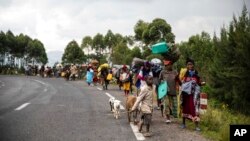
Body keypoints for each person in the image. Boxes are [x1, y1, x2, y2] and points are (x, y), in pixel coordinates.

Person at [180, 58, 203, 131]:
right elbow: (180, 82)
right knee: (185, 108)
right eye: (188, 64)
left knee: (195, 110)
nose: (190, 66)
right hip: (186, 95)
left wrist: (202, 84)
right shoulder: (184, 74)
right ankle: (183, 123)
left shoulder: (196, 74)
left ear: (193, 65)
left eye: (191, 64)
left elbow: (199, 83)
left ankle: (197, 126)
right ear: (186, 66)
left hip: (194, 96)